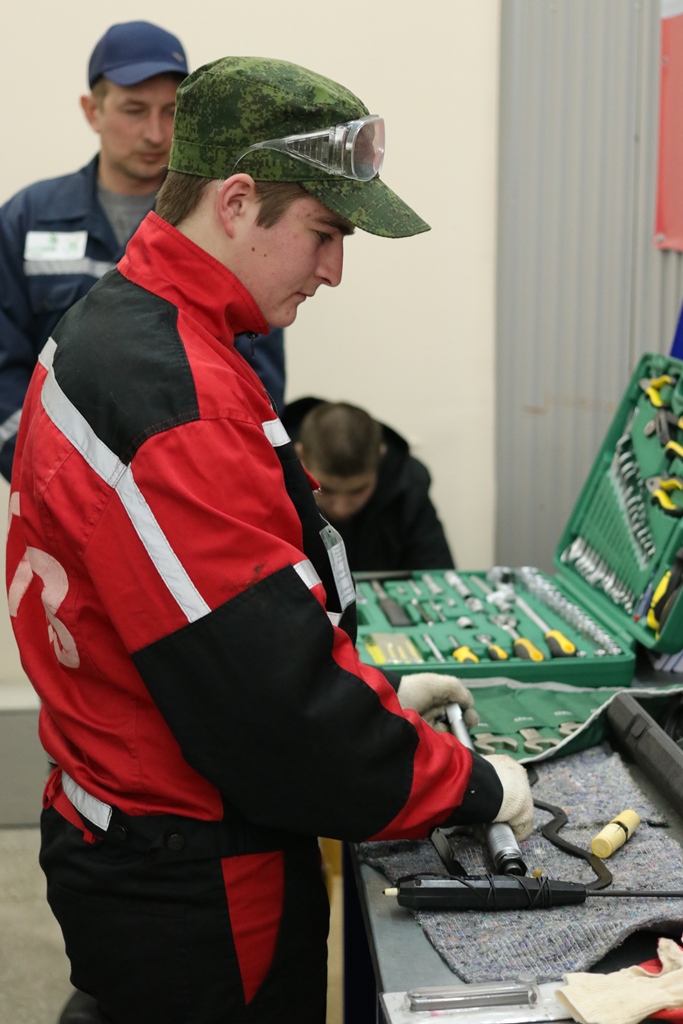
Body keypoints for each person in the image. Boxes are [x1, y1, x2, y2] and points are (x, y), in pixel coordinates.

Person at [6, 56, 533, 1024]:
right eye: (324, 233)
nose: (333, 269)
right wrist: (464, 784)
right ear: (239, 201)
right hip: (197, 867)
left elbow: (229, 608)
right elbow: (275, 715)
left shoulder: (127, 328)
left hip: (126, 810)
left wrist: (369, 693)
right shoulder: (180, 398)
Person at [0, 23, 286, 484]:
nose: (156, 133)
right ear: (92, 111)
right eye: (134, 110)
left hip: (189, 490)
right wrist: (47, 465)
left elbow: (256, 374)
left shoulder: (223, 225)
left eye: (171, 112)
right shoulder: (26, 219)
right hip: (60, 491)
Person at [284, 396, 456, 571]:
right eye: (325, 490)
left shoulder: (408, 484)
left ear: (380, 458)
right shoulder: (270, 481)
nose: (340, 509)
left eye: (357, 491)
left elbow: (436, 572)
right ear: (300, 457)